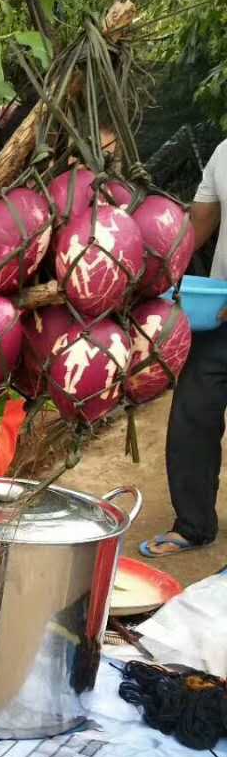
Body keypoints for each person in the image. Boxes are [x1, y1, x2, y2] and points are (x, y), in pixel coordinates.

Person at [142, 139, 227, 557]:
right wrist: (148, 271)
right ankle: (194, 525)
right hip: (222, 312)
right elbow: (196, 226)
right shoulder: (225, 153)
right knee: (194, 411)